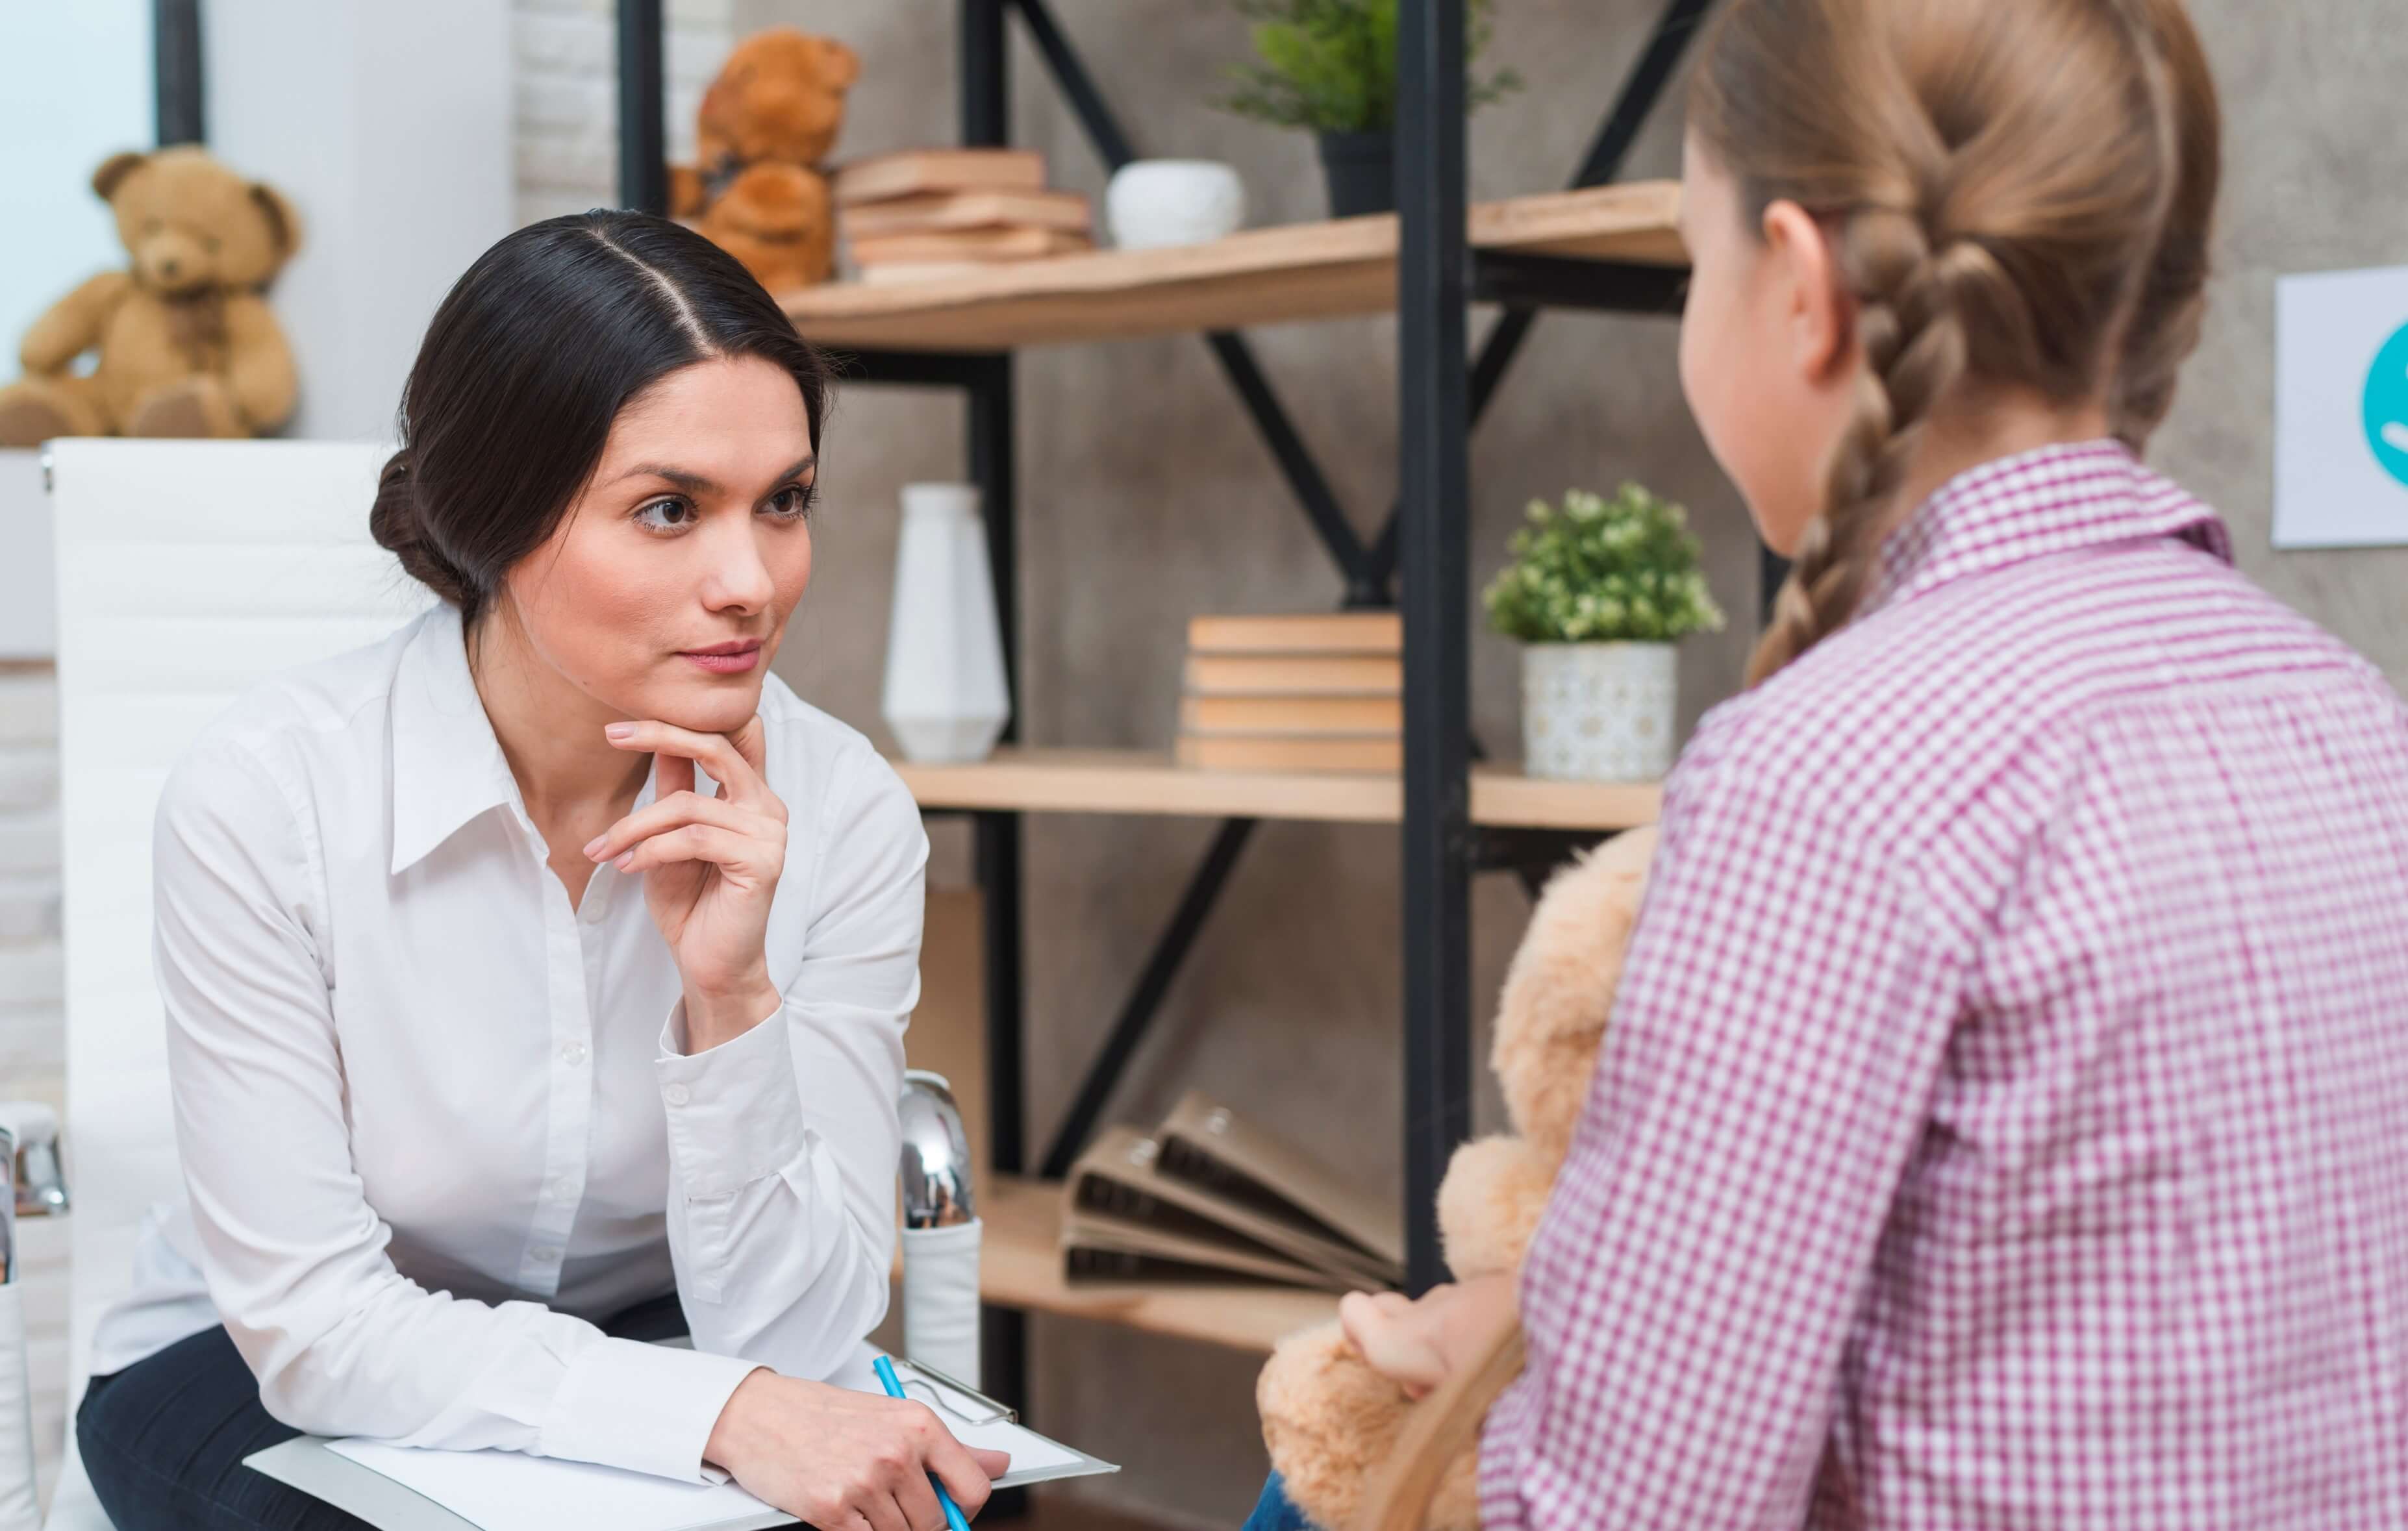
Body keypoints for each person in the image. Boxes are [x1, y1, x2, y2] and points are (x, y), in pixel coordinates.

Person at [1253, 0, 2408, 1525]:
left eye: (1691, 262)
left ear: (1799, 288)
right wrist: (1545, 1344)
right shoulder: (2351, 716)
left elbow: (1638, 1513)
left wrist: (1504, 1414)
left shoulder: (1823, 778)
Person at [75, 212, 1009, 1531]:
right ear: (494, 514)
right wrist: (717, 1418)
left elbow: (805, 1338)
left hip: (656, 1333)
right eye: (670, 510)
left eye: (785, 502)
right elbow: (314, 1330)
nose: (751, 581)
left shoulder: (842, 806)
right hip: (252, 1371)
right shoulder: (270, 794)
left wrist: (730, 1001)